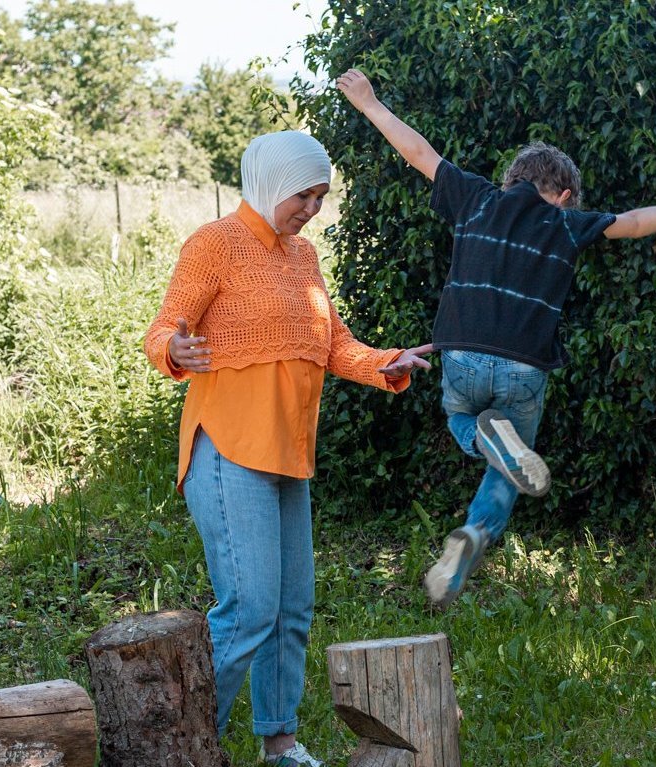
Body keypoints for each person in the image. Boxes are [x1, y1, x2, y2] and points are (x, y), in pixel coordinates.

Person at [335, 68, 656, 608]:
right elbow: (635, 221)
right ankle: (475, 534)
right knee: (511, 455)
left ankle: (483, 456)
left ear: (512, 179)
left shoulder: (476, 199)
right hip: (523, 370)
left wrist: (369, 102)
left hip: (461, 356)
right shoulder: (565, 224)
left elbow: (417, 150)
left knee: (465, 421)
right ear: (563, 195)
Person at [142, 130, 433, 767]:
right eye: (303, 194)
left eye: (321, 197)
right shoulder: (213, 245)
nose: (311, 208)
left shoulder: (304, 258)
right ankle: (186, 750)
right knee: (249, 610)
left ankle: (280, 744)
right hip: (227, 452)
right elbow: (163, 328)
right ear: (272, 182)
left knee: (291, 610)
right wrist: (174, 350)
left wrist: (387, 362)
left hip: (287, 457)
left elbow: (333, 345)